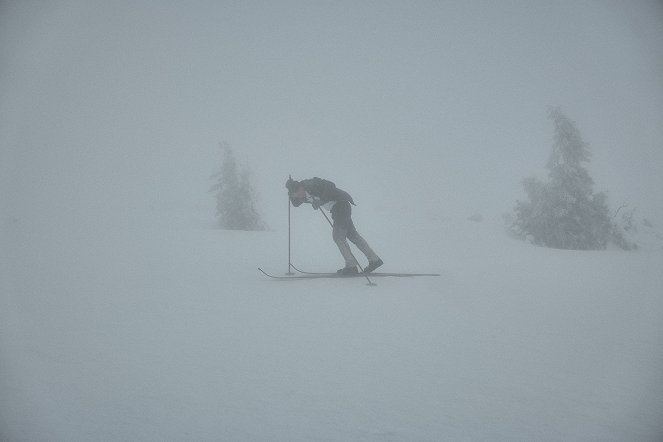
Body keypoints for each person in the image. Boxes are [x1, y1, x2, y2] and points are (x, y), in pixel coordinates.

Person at [286, 177, 383, 275]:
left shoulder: (311, 184)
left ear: (300, 187)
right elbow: (296, 204)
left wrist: (321, 201)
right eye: (296, 195)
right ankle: (374, 260)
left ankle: (351, 266)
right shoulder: (300, 196)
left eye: (298, 193)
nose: (299, 196)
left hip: (341, 203)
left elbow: (331, 185)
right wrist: (289, 191)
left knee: (338, 237)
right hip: (336, 209)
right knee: (353, 236)